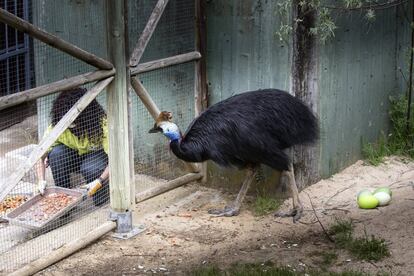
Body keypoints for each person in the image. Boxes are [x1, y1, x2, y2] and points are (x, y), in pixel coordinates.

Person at [36, 87, 109, 206]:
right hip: (74, 158)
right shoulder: (57, 126)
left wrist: (100, 181)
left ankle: (100, 199)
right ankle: (64, 199)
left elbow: (117, 159)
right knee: (56, 154)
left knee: (89, 168)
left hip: (97, 158)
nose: (72, 124)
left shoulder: (102, 124)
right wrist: (41, 180)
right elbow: (40, 155)